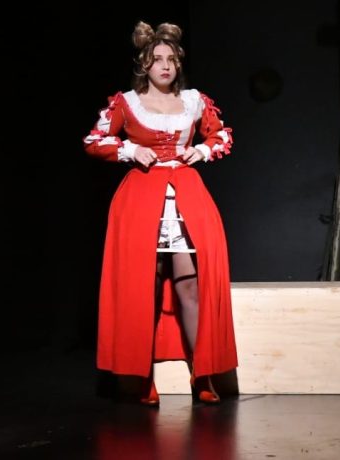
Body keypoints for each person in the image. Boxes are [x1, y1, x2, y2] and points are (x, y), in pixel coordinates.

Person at [83, 21, 238, 405]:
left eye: (171, 59)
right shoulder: (126, 103)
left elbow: (221, 135)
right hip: (141, 199)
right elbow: (94, 140)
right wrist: (130, 150)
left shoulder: (194, 101)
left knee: (189, 286)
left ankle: (202, 374)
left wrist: (201, 150)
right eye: (157, 59)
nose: (165, 66)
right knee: (143, 288)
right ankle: (140, 377)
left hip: (186, 197)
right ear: (144, 65)